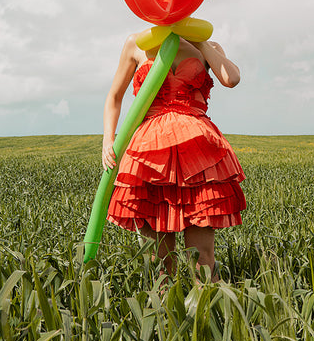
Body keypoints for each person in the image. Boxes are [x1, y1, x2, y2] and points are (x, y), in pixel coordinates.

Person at [102, 33, 246, 282]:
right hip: (151, 155)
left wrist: (200, 41)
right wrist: (107, 140)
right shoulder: (136, 43)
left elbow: (231, 79)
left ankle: (210, 315)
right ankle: (164, 316)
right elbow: (114, 97)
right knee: (160, 262)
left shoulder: (208, 45)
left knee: (203, 257)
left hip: (198, 154)